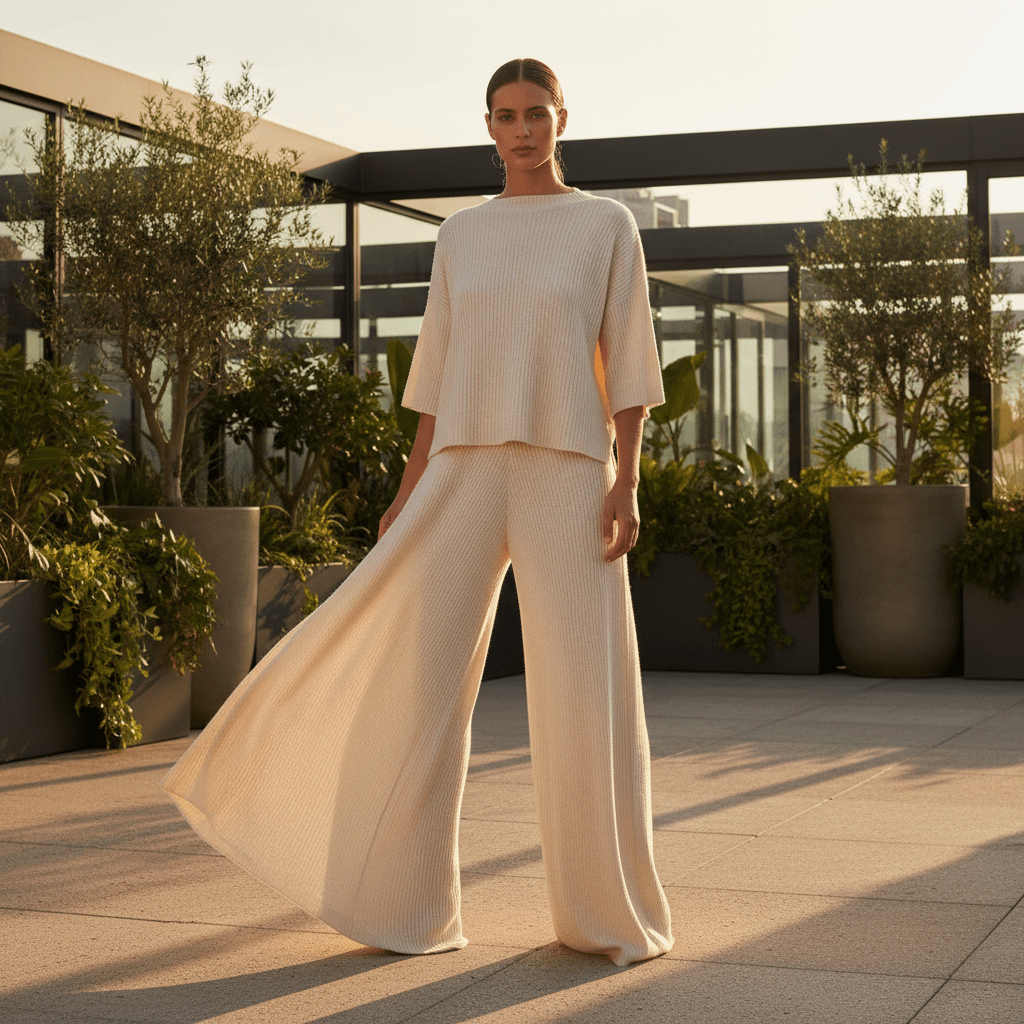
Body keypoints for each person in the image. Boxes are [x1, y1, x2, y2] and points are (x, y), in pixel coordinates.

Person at [160, 57, 674, 968]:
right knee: (420, 680)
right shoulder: (460, 238)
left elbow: (628, 362)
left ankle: (604, 917)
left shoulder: (605, 225)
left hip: (567, 471)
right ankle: (409, 907)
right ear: (488, 127)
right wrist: (408, 491)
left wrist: (626, 479)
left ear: (563, 119)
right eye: (506, 116)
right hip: (463, 469)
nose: (523, 130)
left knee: (583, 694)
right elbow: (435, 378)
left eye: (537, 115)